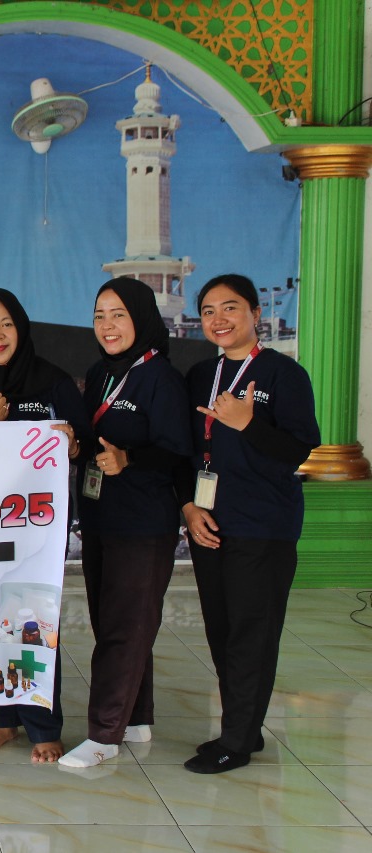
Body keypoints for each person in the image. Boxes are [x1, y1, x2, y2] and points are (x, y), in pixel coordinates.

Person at [178, 274, 319, 774]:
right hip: (209, 522)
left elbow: (298, 449)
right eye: (209, 310)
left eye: (230, 307)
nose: (219, 319)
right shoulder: (201, 375)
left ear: (256, 314)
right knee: (222, 631)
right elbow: (186, 449)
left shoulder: (283, 374)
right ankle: (244, 727)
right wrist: (188, 507)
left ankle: (237, 741)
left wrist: (247, 422)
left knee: (251, 635)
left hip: (262, 525)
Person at [0, 288, 89, 764]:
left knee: (30, 619)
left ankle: (43, 725)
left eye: (6, 324)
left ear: (21, 328)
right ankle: (4, 720)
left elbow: (84, 443)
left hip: (36, 525)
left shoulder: (52, 382)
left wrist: (72, 445)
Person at [59, 277, 192, 768]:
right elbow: (95, 440)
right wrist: (74, 444)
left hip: (142, 523)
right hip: (100, 516)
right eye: (99, 316)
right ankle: (136, 718)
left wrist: (129, 459)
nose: (107, 325)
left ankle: (103, 735)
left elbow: (178, 451)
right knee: (117, 624)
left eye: (118, 315)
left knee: (124, 627)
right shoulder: (100, 373)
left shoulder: (160, 378)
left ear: (141, 318)